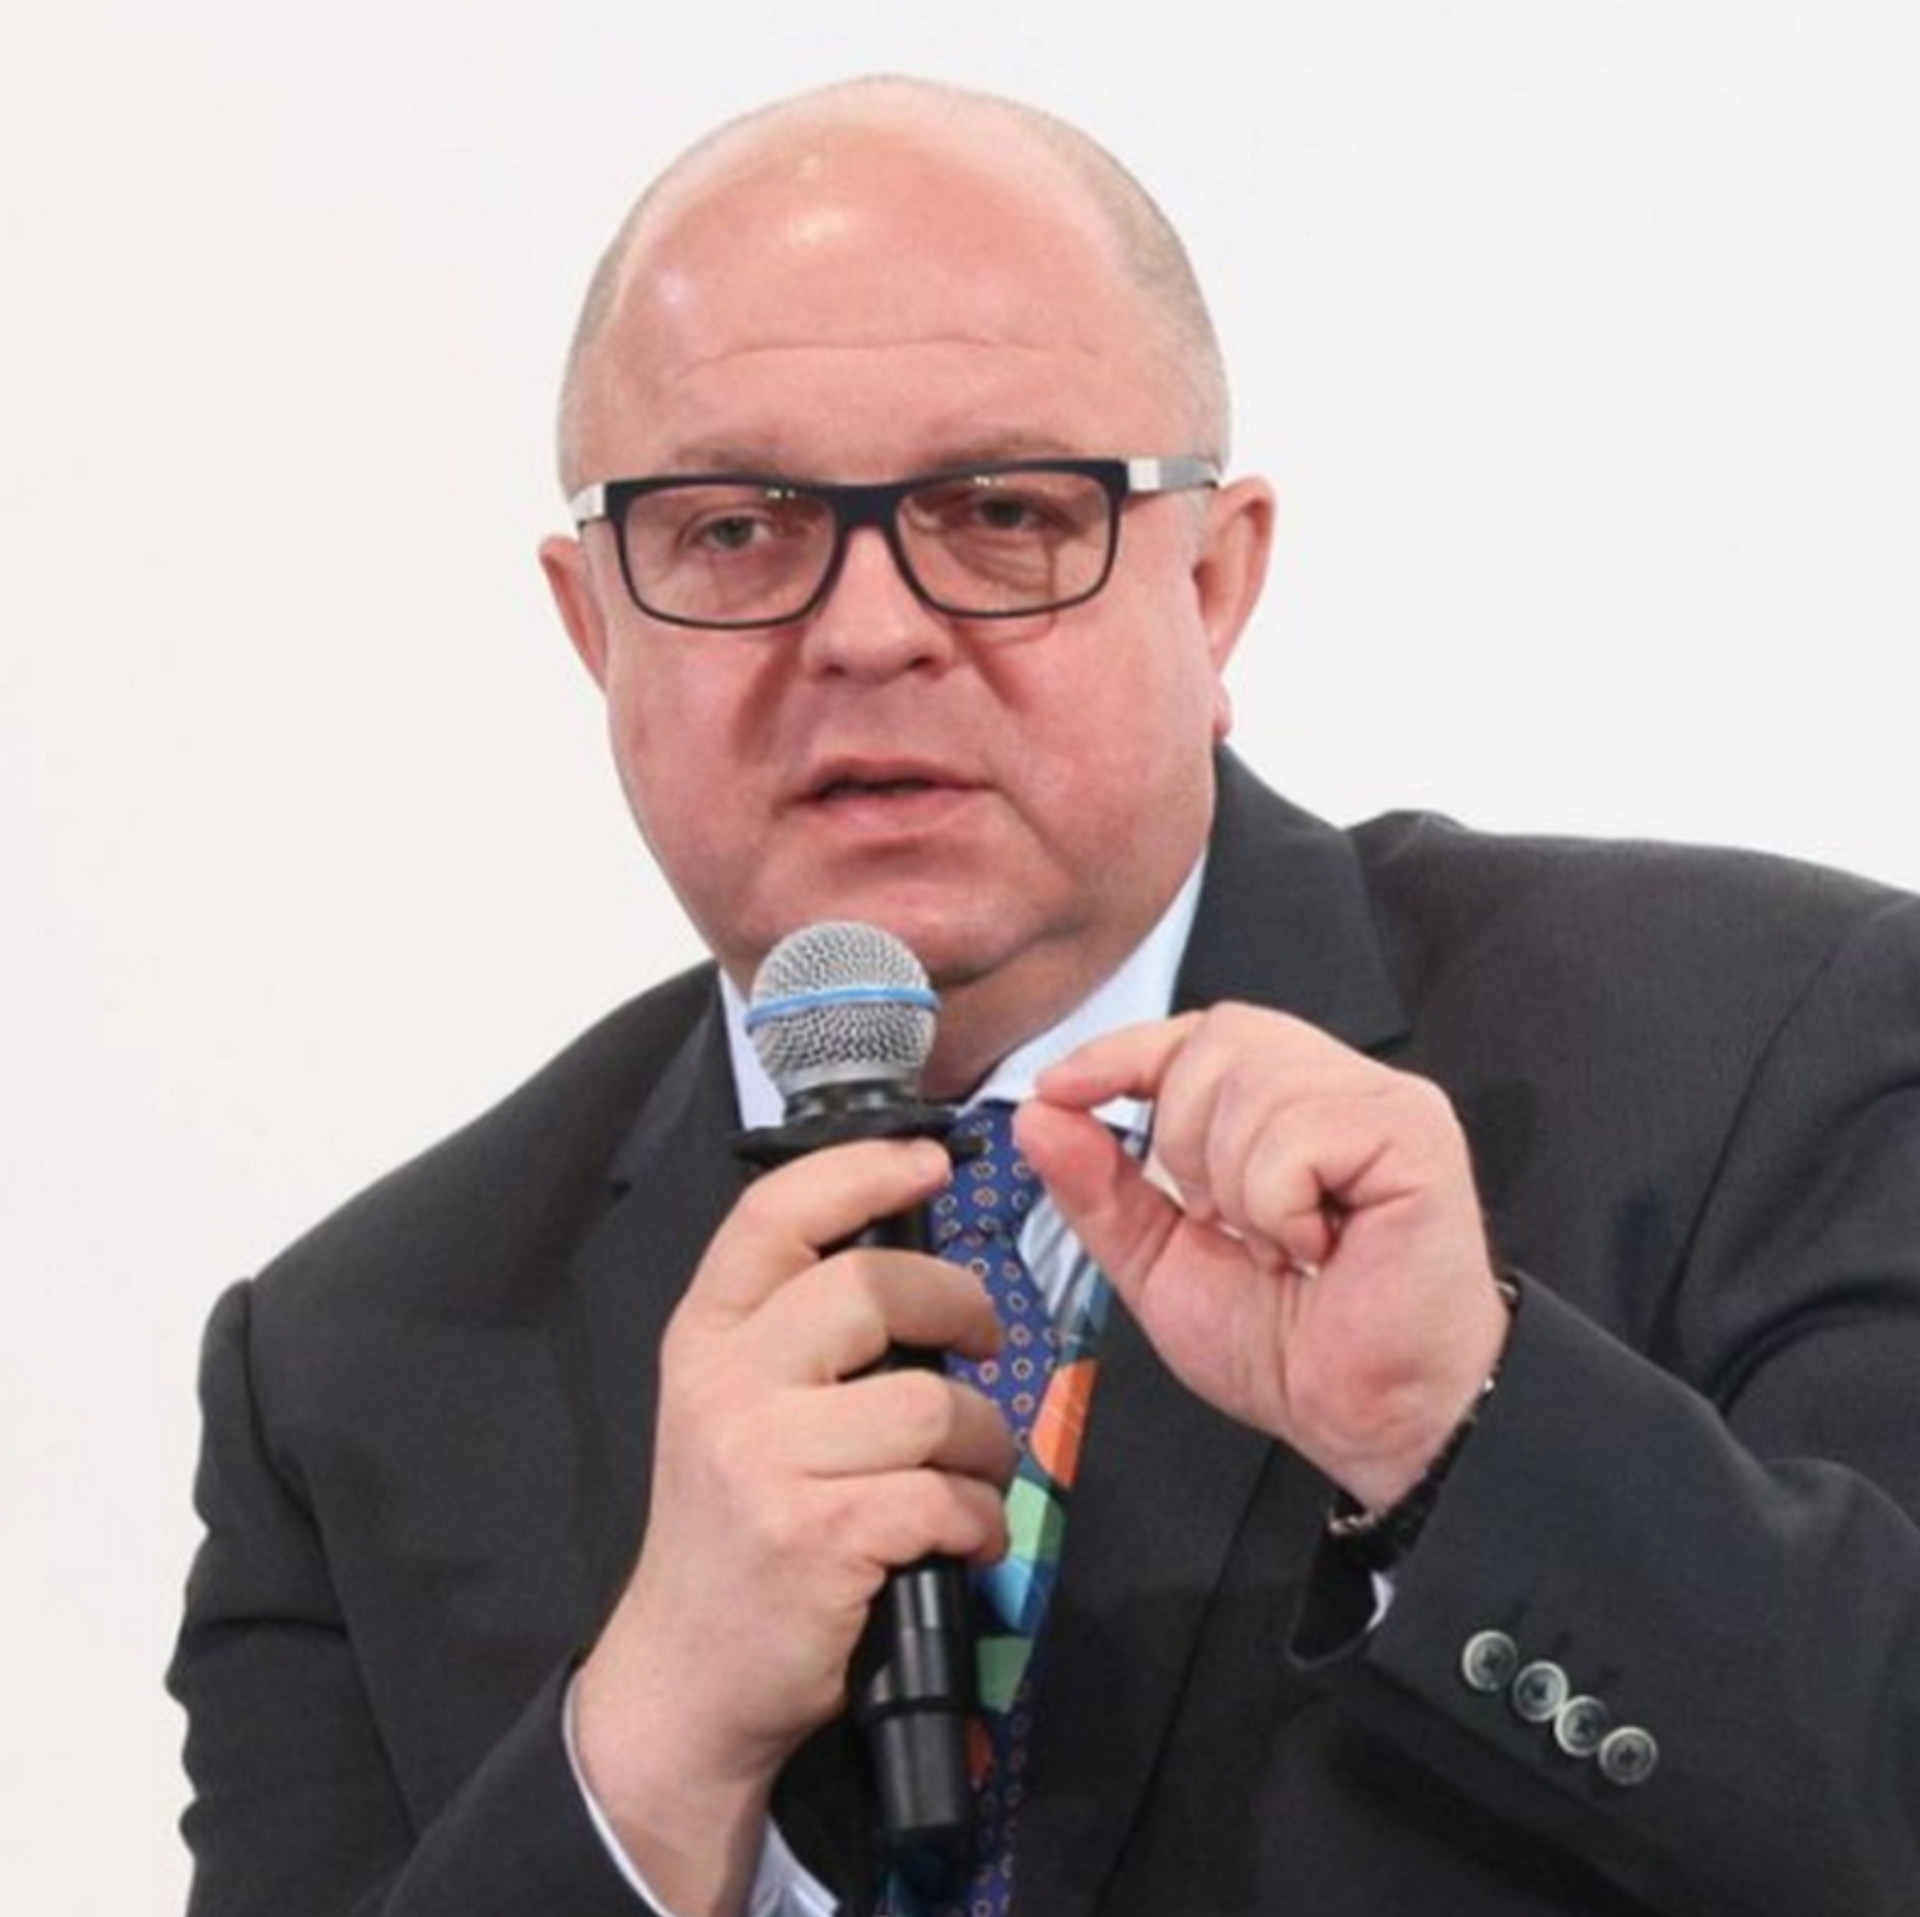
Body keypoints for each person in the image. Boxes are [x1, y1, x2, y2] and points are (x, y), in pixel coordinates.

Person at [168, 75, 1920, 1917]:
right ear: (595, 624)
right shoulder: (349, 1364)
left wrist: (1456, 1435)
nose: (866, 632)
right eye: (733, 531)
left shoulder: (1758, 1055)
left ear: (1215, 585)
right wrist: (647, 1752)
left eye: (1003, 511)